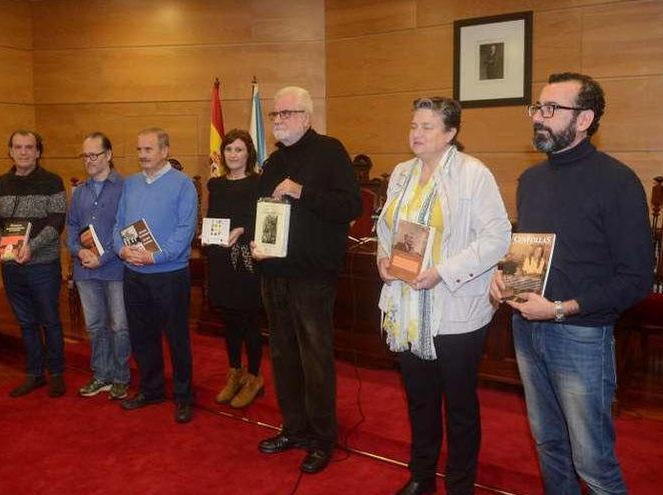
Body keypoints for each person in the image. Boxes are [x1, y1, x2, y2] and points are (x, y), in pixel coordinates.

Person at [489, 72, 653, 494]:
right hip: (526, 329)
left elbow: (636, 279)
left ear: (584, 120)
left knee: (593, 463)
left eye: (550, 109)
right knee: (549, 446)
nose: (538, 117)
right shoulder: (532, 180)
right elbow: (532, 253)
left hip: (580, 337)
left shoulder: (617, 181)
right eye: (536, 108)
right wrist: (504, 277)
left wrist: (561, 308)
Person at [377, 97, 511, 495]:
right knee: (419, 400)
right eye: (414, 125)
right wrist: (383, 259)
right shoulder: (402, 172)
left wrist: (442, 272)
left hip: (455, 311)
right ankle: (420, 476)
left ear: (450, 133)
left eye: (427, 127)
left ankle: (459, 484)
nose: (416, 134)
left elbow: (497, 238)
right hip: (406, 307)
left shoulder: (473, 174)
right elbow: (387, 227)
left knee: (459, 408)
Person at [253, 86, 361, 474]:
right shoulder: (272, 161)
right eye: (275, 114)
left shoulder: (330, 151)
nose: (278, 120)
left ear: (307, 116)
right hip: (274, 274)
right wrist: (257, 242)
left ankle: (322, 438)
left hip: (312, 277)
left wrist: (303, 191)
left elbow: (351, 206)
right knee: (282, 357)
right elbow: (265, 212)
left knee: (315, 359)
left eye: (287, 113)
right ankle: (294, 428)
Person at [114, 127, 198, 424]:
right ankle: (151, 389)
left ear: (165, 151)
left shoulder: (183, 184)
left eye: (148, 150)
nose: (142, 155)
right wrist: (121, 250)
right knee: (142, 335)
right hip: (133, 273)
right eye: (139, 150)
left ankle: (184, 396)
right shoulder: (131, 183)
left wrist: (156, 256)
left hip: (169, 274)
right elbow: (119, 222)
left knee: (176, 338)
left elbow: (186, 230)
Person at [0, 129, 67, 398]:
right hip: (11, 265)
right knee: (25, 322)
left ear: (38, 152)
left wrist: (31, 248)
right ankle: (34, 374)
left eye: (29, 147)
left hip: (43, 265)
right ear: (10, 151)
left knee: (50, 321)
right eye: (18, 147)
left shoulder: (52, 182)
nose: (23, 152)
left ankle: (56, 373)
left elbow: (57, 222)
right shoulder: (0, 183)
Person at [66, 132, 130, 400]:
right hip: (85, 270)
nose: (89, 160)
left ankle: (120, 377)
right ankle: (101, 375)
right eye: (85, 156)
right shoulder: (79, 191)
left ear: (108, 155)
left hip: (115, 268)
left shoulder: (126, 187)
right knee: (94, 325)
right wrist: (79, 252)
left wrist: (102, 257)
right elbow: (70, 228)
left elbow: (126, 230)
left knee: (119, 326)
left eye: (94, 155)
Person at [206, 129, 263, 408]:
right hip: (221, 260)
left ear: (248, 153)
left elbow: (266, 222)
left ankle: (254, 377)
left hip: (247, 261)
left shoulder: (259, 183)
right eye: (229, 150)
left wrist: (243, 229)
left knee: (250, 322)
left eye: (239, 150)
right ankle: (234, 373)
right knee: (229, 322)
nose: (233, 155)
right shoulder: (215, 185)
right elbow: (212, 218)